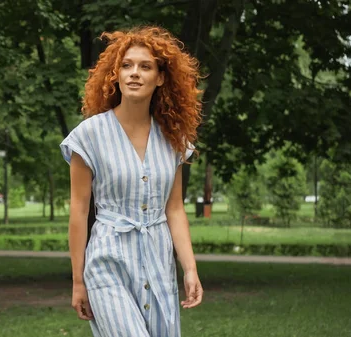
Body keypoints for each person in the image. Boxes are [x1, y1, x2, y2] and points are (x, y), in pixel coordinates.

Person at [60, 26, 204, 337]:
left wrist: (190, 268)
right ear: (116, 74)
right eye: (126, 65)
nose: (134, 73)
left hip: (158, 262)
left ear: (161, 77)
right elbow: (79, 211)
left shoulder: (172, 140)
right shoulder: (89, 136)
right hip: (106, 263)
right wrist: (77, 281)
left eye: (145, 66)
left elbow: (175, 210)